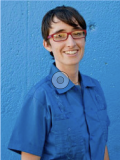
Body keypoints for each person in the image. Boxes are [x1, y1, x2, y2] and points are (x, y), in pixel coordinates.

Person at [8, 5, 110, 160]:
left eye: (77, 33)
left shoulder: (94, 88)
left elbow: (101, 146)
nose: (71, 43)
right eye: (60, 36)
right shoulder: (41, 96)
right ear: (47, 45)